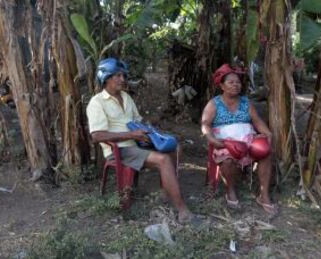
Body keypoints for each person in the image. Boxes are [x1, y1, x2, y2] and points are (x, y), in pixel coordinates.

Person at [87, 58, 193, 223]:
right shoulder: (97, 102)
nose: (123, 79)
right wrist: (131, 135)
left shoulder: (126, 97)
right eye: (118, 76)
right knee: (163, 160)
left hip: (137, 143)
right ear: (106, 78)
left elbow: (137, 120)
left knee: (174, 148)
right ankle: (182, 209)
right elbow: (97, 136)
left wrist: (151, 132)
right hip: (119, 150)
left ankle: (166, 192)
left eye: (123, 75)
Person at [201, 63, 278, 216]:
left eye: (238, 82)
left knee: (265, 153)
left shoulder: (245, 102)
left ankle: (264, 195)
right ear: (222, 86)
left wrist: (267, 133)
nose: (236, 85)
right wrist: (212, 139)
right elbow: (205, 124)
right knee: (228, 161)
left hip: (247, 139)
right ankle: (230, 190)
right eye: (231, 82)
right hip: (225, 142)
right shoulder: (214, 103)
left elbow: (256, 121)